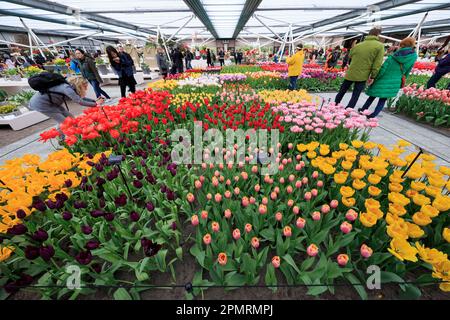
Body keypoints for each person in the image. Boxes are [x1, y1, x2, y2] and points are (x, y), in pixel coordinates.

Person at [360, 37, 417, 118]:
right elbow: (408, 70)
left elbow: (383, 69)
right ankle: (373, 115)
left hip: (383, 79)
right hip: (396, 80)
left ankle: (363, 109)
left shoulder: (393, 56)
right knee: (383, 99)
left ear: (403, 45)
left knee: (372, 96)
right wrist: (403, 78)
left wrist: (375, 78)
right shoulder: (414, 56)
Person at [335, 28, 384, 109]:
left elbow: (350, 55)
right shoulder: (379, 46)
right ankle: (348, 110)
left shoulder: (358, 45)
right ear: (378, 35)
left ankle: (335, 105)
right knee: (356, 94)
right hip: (363, 74)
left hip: (351, 72)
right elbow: (377, 63)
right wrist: (373, 76)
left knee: (342, 90)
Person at [29, 76, 103, 130]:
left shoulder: (70, 87)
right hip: (41, 104)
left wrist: (94, 101)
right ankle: (61, 140)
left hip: (51, 103)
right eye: (85, 86)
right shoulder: (67, 88)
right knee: (65, 122)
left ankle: (78, 134)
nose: (86, 88)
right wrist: (96, 104)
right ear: (80, 85)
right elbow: (79, 101)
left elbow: (80, 98)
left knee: (71, 118)